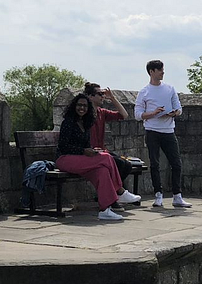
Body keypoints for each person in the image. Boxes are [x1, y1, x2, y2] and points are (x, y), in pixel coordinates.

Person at [56, 93, 141, 221]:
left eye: (84, 106)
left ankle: (104, 210)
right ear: (74, 106)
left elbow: (86, 145)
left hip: (80, 160)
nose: (82, 108)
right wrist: (84, 151)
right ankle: (120, 191)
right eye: (79, 105)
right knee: (106, 158)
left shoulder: (85, 124)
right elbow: (63, 146)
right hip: (65, 159)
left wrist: (92, 151)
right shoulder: (68, 123)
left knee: (102, 171)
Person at [134, 60, 191, 208]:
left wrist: (174, 113)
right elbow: (137, 114)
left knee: (176, 163)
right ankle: (158, 194)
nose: (162, 72)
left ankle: (177, 195)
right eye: (159, 69)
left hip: (168, 131)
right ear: (151, 72)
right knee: (155, 164)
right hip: (152, 131)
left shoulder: (170, 89)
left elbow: (179, 108)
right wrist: (154, 113)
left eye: (162, 69)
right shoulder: (144, 92)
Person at [84, 81, 133, 188]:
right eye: (100, 94)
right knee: (119, 164)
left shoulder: (102, 112)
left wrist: (112, 98)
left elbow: (124, 115)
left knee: (127, 165)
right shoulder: (84, 114)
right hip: (92, 152)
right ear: (91, 97)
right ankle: (113, 193)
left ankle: (112, 192)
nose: (103, 97)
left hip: (102, 151)